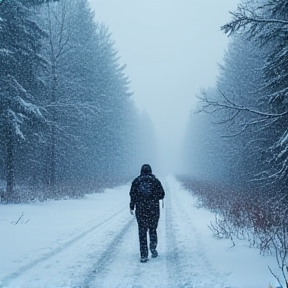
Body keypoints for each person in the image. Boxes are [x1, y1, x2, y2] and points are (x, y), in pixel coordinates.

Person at [129, 164, 165, 263]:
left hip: (141, 210)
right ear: (150, 171)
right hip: (153, 210)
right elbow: (162, 194)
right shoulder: (155, 181)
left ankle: (144, 255)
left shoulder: (136, 181)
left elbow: (132, 194)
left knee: (142, 231)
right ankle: (153, 249)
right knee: (153, 229)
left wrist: (132, 205)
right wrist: (154, 197)